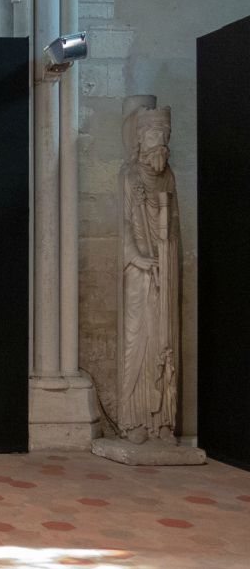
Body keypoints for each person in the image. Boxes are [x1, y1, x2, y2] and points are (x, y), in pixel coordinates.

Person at [117, 95, 181, 445]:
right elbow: (124, 224)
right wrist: (138, 257)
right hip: (139, 274)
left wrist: (166, 254)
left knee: (164, 341)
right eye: (155, 134)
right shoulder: (128, 177)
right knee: (138, 343)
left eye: (165, 134)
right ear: (140, 138)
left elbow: (174, 227)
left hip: (164, 271)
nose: (162, 141)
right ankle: (135, 419)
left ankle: (163, 421)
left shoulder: (168, 178)